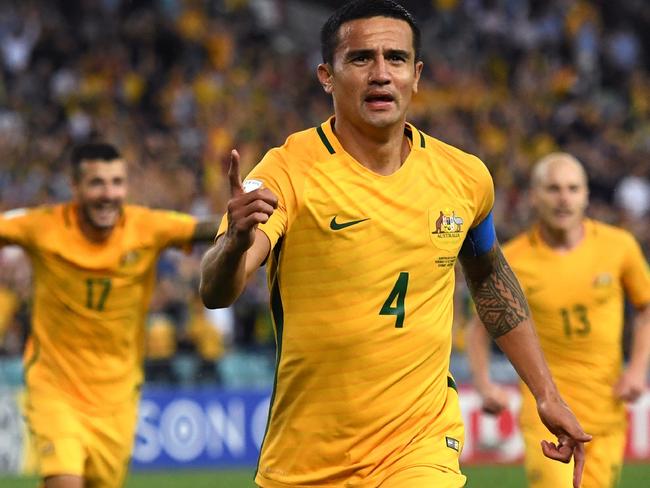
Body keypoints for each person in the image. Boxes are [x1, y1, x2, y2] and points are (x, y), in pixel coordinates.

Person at [199, 2, 590, 487]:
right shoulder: (285, 171)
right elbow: (217, 290)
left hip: (420, 446)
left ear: (417, 74)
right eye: (361, 59)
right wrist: (234, 245)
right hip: (305, 459)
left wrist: (546, 393)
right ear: (327, 75)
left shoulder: (464, 178)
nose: (381, 74)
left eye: (397, 59)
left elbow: (490, 278)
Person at [0, 142, 218, 488]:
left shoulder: (147, 227)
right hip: (56, 387)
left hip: (116, 399)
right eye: (97, 183)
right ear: (75, 188)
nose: (109, 194)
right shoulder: (44, 227)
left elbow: (204, 228)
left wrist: (243, 215)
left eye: (117, 182)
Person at [466, 152, 650, 487]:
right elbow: (479, 327)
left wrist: (637, 368)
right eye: (553, 189)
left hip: (605, 417)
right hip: (546, 417)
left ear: (586, 196)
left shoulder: (619, 247)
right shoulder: (514, 260)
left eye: (573, 188)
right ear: (534, 196)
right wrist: (484, 384)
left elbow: (646, 306)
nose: (564, 198)